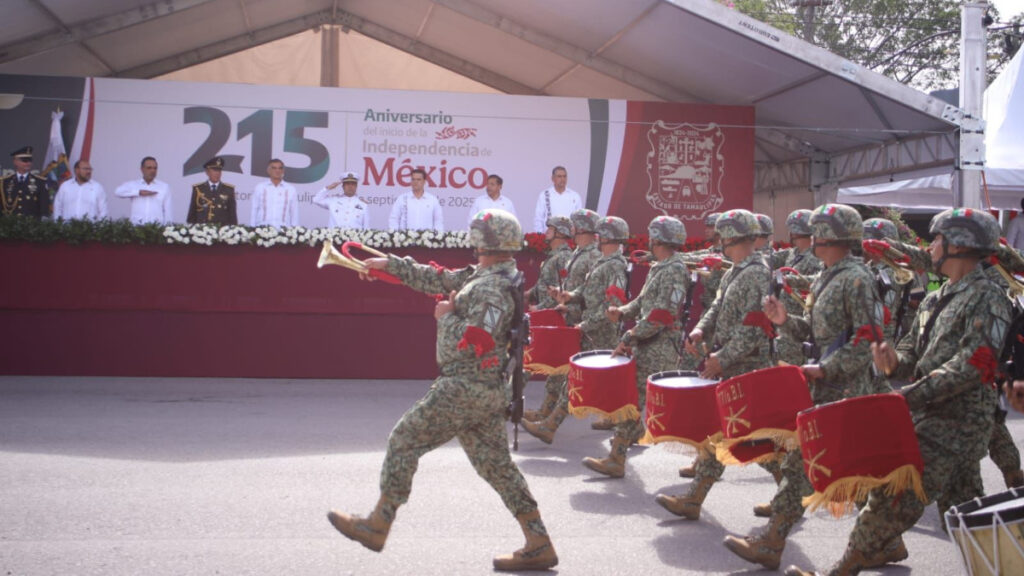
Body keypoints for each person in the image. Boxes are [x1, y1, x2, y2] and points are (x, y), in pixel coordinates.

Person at [327, 209, 558, 572]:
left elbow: (472, 344)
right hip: (484, 390)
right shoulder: (493, 275)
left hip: (467, 386)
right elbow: (442, 278)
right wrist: (392, 265)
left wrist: (446, 317)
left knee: (405, 440)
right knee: (497, 468)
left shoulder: (492, 287)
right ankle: (538, 541)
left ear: (484, 241)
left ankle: (378, 524)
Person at [785, 208, 1011, 576]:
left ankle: (842, 569)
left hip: (957, 421)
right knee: (964, 511)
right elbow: (911, 352)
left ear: (960, 246)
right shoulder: (939, 298)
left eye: (937, 240)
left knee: (890, 497)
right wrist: (893, 361)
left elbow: (975, 364)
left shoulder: (988, 296)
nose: (931, 247)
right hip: (935, 415)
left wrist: (910, 395)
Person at [726, 203, 888, 571]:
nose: (811, 239)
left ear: (832, 236)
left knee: (808, 466)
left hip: (844, 391)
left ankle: (772, 542)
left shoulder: (856, 278)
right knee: (849, 469)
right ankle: (887, 542)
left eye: (817, 232)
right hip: (827, 388)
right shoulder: (829, 275)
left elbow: (868, 339)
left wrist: (824, 369)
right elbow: (820, 333)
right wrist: (786, 320)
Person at [656, 209, 774, 520]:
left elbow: (754, 326)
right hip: (732, 363)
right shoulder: (737, 270)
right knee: (722, 432)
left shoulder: (757, 273)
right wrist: (700, 329)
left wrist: (723, 359)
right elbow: (719, 306)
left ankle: (794, 488)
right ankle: (694, 499)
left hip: (746, 365)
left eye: (721, 235)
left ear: (731, 236)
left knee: (755, 438)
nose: (718, 241)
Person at [584, 216, 691, 478]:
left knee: (631, 400)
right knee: (631, 399)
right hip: (649, 343)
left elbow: (661, 315)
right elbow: (644, 301)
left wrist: (630, 335)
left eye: (652, 236)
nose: (650, 241)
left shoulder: (674, 270)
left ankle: (617, 458)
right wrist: (621, 311)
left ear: (659, 239)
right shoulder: (661, 267)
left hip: (659, 345)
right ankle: (620, 453)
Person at [522, 215, 628, 448]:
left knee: (579, 380)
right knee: (585, 381)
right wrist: (570, 297)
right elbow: (587, 288)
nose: (597, 237)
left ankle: (550, 425)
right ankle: (550, 422)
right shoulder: (603, 261)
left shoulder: (615, 266)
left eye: (602, 234)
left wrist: (585, 323)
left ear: (609, 237)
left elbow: (612, 306)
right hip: (589, 328)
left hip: (599, 331)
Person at [522, 215, 574, 422]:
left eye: (551, 229)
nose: (547, 232)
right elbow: (545, 285)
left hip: (552, 317)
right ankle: (546, 410)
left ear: (560, 233)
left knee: (538, 362)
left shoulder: (562, 257)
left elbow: (562, 291)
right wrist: (529, 294)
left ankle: (508, 400)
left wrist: (540, 308)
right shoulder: (553, 256)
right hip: (543, 315)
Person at [115, 156, 172, 224]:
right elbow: (117, 192)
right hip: (137, 227)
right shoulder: (134, 185)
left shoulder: (164, 186)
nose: (152, 171)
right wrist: (138, 192)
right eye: (149, 168)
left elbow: (168, 210)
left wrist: (168, 228)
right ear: (142, 169)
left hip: (157, 228)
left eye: (155, 168)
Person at [1, 146, 50, 218]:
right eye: (24, 161)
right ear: (15, 162)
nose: (28, 163)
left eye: (30, 160)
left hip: (31, 225)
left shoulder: (40, 182)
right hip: (10, 224)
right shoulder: (4, 182)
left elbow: (44, 208)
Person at [186, 157, 236, 225]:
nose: (217, 173)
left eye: (219, 170)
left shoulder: (228, 190)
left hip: (222, 231)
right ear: (207, 172)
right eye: (214, 170)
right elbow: (192, 213)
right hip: (202, 231)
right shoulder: (198, 189)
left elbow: (232, 215)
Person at [532, 166, 582, 233]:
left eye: (564, 176)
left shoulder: (575, 196)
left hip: (569, 237)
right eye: (559, 176)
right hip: (549, 238)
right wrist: (539, 235)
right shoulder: (544, 195)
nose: (562, 179)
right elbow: (538, 218)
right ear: (552, 178)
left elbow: (579, 220)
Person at [251, 158, 298, 227]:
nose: (277, 171)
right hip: (262, 230)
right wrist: (252, 228)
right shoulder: (260, 187)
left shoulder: (291, 189)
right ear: (268, 170)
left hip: (284, 231)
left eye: (280, 168)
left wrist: (295, 230)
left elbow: (294, 212)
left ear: (283, 171)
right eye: (274, 168)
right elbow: (254, 209)